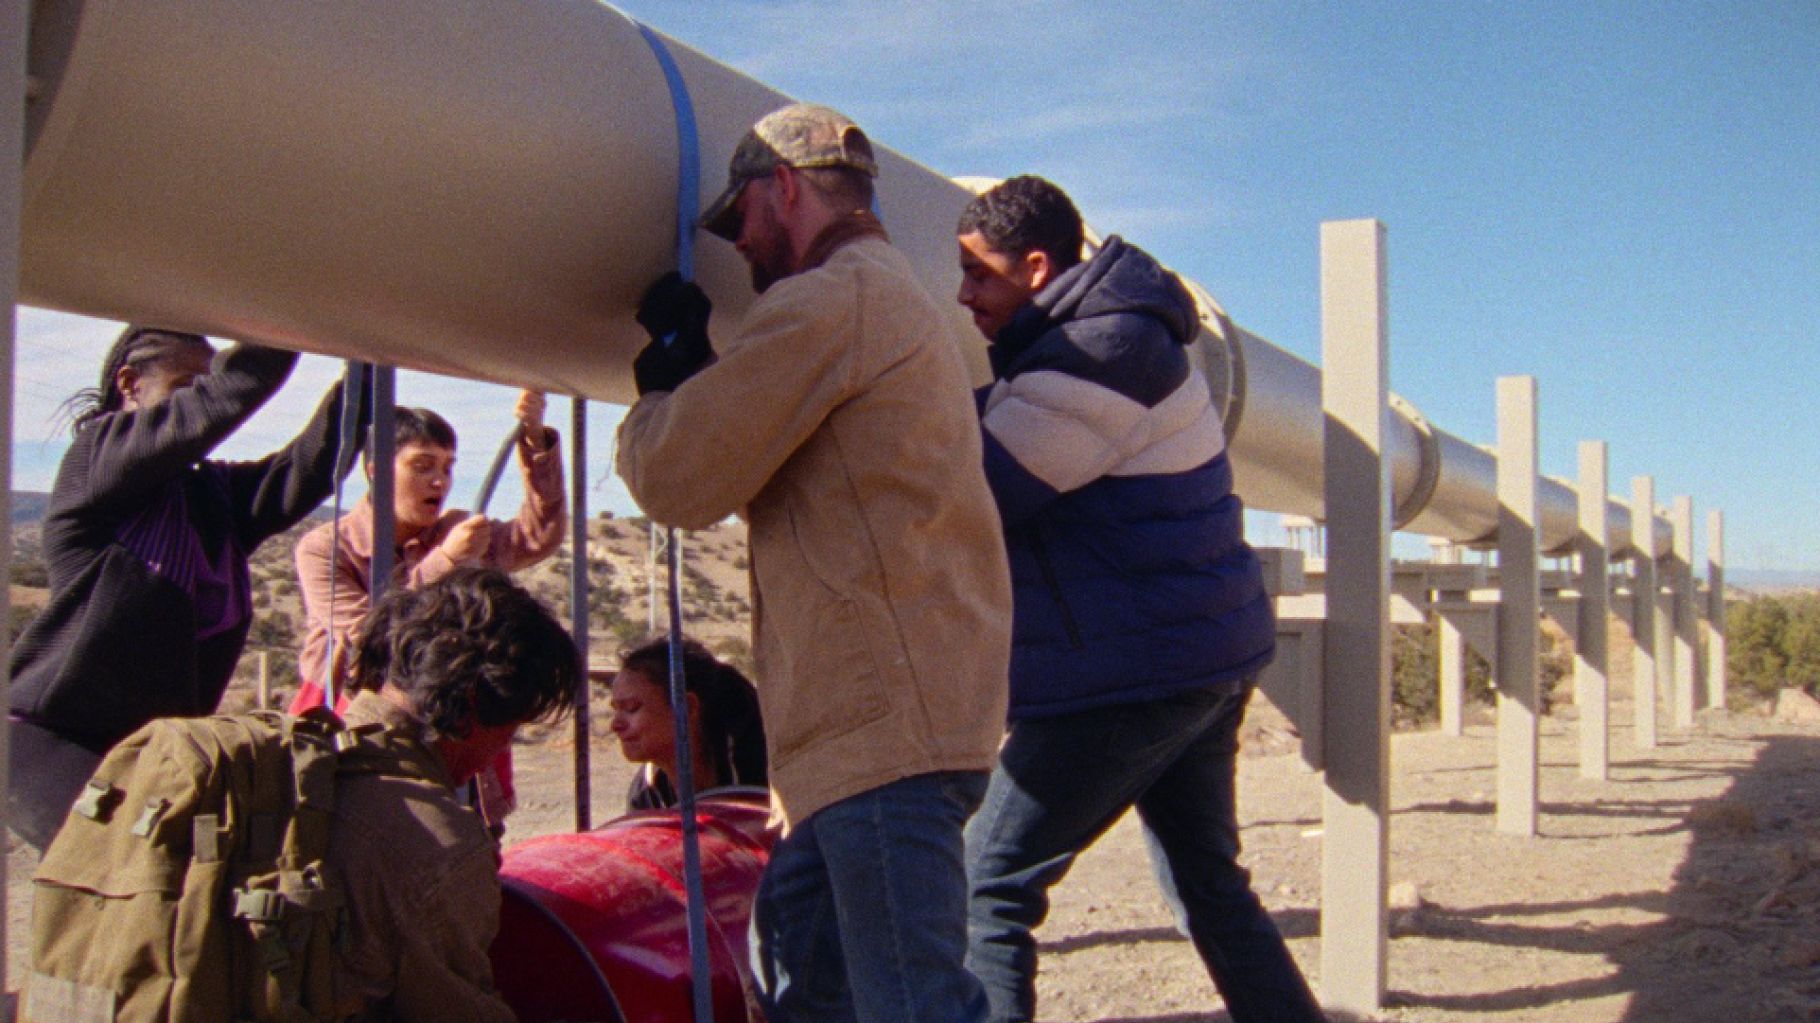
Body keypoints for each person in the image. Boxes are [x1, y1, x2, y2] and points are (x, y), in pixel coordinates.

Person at [616, 103, 1012, 1023]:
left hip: (880, 735)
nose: (741, 251)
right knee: (796, 977)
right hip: (884, 726)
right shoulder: (884, 295)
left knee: (905, 1004)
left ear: (782, 189)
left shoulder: (832, 299)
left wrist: (663, 388)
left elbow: (677, 478)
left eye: (741, 222)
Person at [954, 176, 1327, 1023]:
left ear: (1038, 266)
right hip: (1196, 658)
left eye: (978, 275)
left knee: (987, 886)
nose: (963, 294)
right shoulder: (1101, 344)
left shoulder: (1101, 353)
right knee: (1210, 884)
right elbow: (999, 416)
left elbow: (978, 491)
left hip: (1134, 673)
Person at [7, 326, 367, 851]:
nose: (203, 399)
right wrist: (297, 311)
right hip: (58, 739)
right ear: (130, 383)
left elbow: (309, 467)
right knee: (116, 887)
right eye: (188, 384)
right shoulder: (95, 458)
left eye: (207, 382)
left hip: (154, 748)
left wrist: (365, 365)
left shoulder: (209, 499)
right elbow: (224, 398)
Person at [294, 392, 564, 826]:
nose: (439, 481)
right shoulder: (326, 548)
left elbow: (537, 537)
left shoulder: (455, 529)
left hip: (452, 728)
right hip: (354, 726)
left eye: (447, 467)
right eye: (423, 466)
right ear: (377, 473)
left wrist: (534, 443)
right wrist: (446, 563)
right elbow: (369, 639)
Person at [327, 567, 578, 1021]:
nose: (500, 751)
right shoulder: (441, 846)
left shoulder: (295, 760)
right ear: (475, 709)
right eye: (512, 730)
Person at [607, 635, 766, 811]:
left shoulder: (763, 770)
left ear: (686, 707)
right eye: (615, 709)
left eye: (632, 708)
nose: (616, 725)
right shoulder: (646, 792)